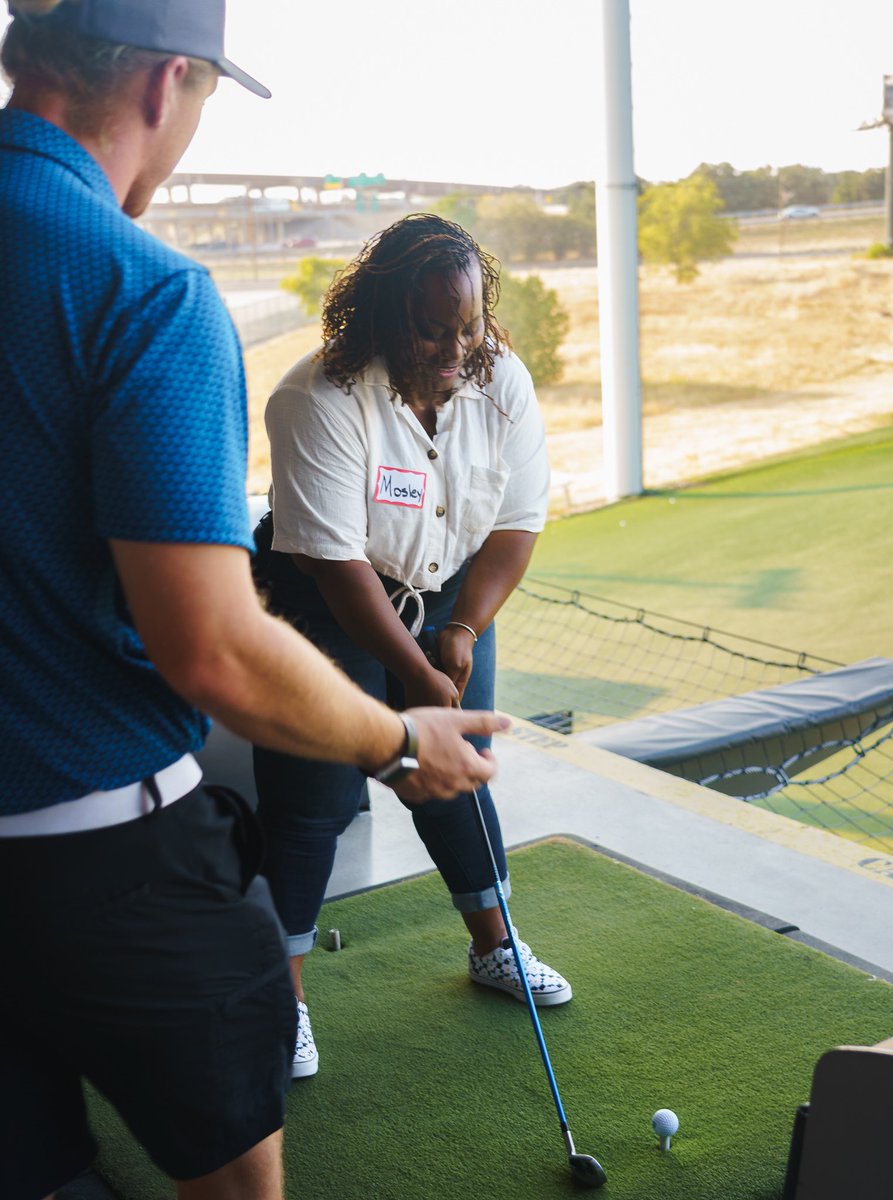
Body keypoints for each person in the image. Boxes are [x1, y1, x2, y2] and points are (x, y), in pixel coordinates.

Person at [0, 6, 506, 1200]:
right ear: (168, 83)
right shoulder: (143, 291)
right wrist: (400, 742)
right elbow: (215, 652)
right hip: (103, 864)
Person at [253, 212, 573, 1081]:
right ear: (381, 318)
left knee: (455, 773)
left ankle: (493, 946)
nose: (455, 349)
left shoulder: (500, 378)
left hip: (450, 596)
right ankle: (283, 1000)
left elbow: (516, 523)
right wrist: (416, 673)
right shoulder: (317, 397)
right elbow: (338, 568)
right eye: (431, 330)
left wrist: (460, 631)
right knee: (311, 804)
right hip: (328, 605)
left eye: (468, 326)